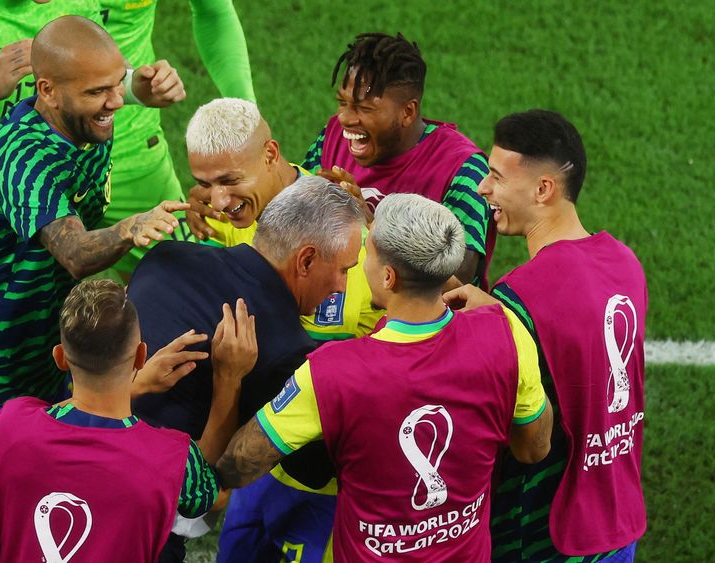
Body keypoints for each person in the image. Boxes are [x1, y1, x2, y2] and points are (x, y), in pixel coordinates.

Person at [0, 15, 187, 502]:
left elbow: (111, 92)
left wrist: (139, 87)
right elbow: (75, 254)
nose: (114, 102)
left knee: (38, 498)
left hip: (40, 352)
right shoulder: (24, 157)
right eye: (97, 93)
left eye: (116, 85)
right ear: (46, 90)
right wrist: (132, 226)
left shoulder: (81, 121)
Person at [216, 193, 553, 562]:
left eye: (367, 251)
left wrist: (230, 380)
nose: (360, 263)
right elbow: (533, 448)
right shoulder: (506, 334)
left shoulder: (332, 371)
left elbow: (238, 466)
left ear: (388, 276)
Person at [128, 176, 365, 562]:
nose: (341, 286)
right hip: (142, 533)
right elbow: (311, 470)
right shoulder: (285, 353)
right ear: (305, 259)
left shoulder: (166, 256)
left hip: (68, 472)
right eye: (343, 269)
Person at [445, 110, 647, 562]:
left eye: (496, 177)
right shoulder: (625, 264)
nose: (483, 189)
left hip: (546, 536)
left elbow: (510, 437)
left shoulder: (520, 298)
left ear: (543, 189)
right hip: (618, 521)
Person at [0, 279, 258, 563]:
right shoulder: (174, 456)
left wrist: (133, 385)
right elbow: (214, 497)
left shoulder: (12, 420)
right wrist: (228, 378)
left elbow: (59, 414)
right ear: (141, 355)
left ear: (60, 358)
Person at [299, 32, 493, 289]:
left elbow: (459, 276)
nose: (345, 118)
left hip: (422, 327)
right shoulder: (334, 135)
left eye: (364, 108)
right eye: (342, 103)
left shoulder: (462, 167)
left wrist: (373, 225)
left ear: (407, 112)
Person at [184, 97, 382, 343]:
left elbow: (310, 356)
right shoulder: (217, 210)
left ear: (270, 154)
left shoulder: (330, 230)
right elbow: (203, 298)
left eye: (230, 181)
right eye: (204, 183)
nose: (218, 201)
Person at [98, 0, 257, 277]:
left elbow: (213, 12)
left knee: (191, 286)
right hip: (37, 152)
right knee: (23, 306)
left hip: (134, 153)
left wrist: (247, 117)